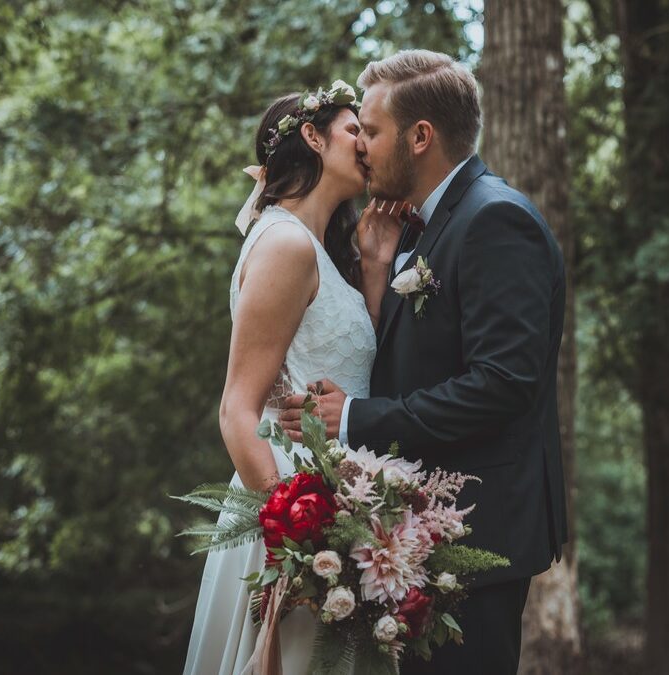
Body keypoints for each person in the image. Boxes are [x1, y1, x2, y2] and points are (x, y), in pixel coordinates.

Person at [278, 50, 568, 675]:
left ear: (420, 137)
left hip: (481, 535)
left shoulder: (495, 220)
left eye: (373, 132)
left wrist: (356, 419)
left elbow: (502, 384)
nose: (363, 149)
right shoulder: (419, 227)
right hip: (420, 535)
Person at [182, 81, 406, 674]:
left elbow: (353, 369)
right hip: (295, 507)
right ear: (312, 136)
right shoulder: (284, 244)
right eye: (354, 129)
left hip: (343, 499)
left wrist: (377, 268)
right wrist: (294, 539)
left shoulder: (316, 250)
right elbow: (237, 409)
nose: (365, 143)